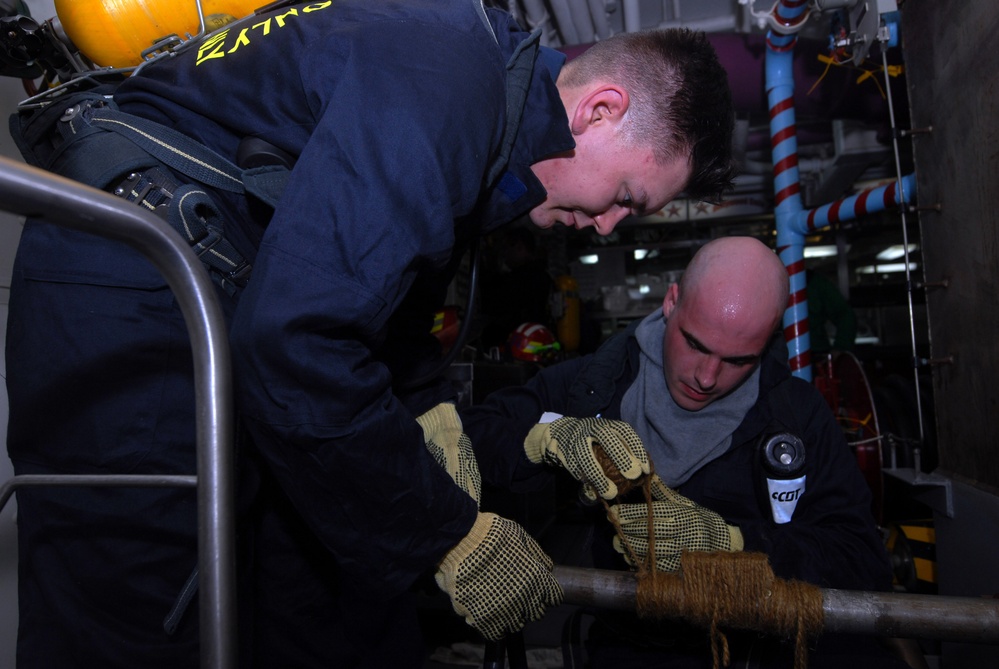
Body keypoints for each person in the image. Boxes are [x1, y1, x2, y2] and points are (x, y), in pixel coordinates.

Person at [4, 1, 737, 667]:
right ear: (602, 110)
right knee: (143, 610)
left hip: (217, 289)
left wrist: (459, 419)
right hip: (136, 282)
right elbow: (297, 343)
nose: (607, 225)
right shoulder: (447, 79)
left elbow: (380, 304)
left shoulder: (479, 98)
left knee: (322, 608)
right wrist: (448, 533)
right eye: (625, 199)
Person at [462, 237, 911, 668]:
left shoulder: (795, 416)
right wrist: (546, 441)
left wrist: (735, 546)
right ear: (671, 301)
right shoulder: (597, 386)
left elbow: (861, 561)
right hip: (636, 642)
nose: (707, 377)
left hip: (760, 644)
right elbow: (475, 434)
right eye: (695, 344)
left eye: (739, 360)